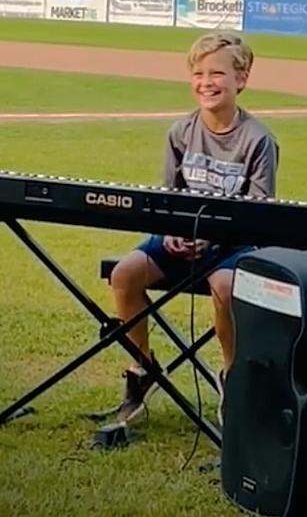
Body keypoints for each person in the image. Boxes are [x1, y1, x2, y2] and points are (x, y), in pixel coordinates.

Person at [107, 31, 279, 426]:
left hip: (234, 244)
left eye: (217, 73)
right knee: (124, 275)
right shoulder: (180, 132)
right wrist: (170, 232)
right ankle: (143, 368)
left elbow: (260, 212)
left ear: (242, 78)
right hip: (181, 239)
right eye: (198, 73)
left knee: (225, 286)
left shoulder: (258, 140)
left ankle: (232, 377)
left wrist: (212, 236)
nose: (207, 82)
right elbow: (168, 199)